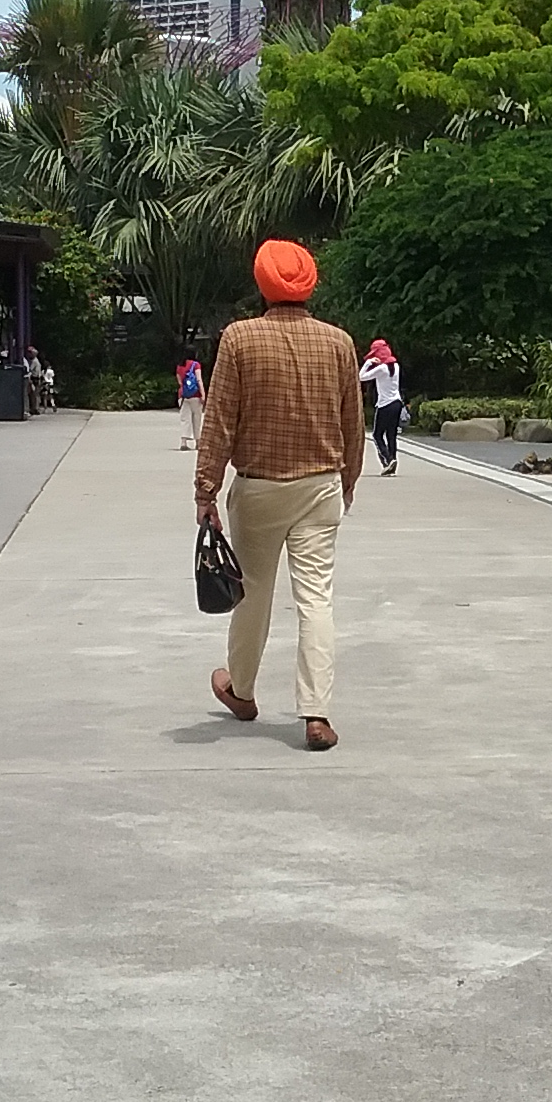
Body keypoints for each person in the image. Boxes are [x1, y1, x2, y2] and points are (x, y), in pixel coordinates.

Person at [195, 238, 364, 753]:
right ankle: (316, 713)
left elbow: (219, 421)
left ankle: (242, 690)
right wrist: (349, 480)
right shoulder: (339, 342)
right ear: (310, 283)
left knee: (251, 593)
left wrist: (206, 490)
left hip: (259, 488)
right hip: (320, 486)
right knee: (316, 599)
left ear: (262, 282)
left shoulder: (239, 339)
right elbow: (352, 422)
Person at [359, 338, 405, 476]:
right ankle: (393, 463)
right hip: (397, 403)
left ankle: (388, 460)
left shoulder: (381, 369)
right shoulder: (396, 366)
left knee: (377, 435)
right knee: (391, 435)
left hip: (385, 405)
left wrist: (368, 363)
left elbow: (361, 377)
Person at [176, 351, 205, 451]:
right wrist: (203, 394)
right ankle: (198, 442)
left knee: (185, 419)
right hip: (195, 395)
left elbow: (180, 383)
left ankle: (183, 442)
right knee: (197, 419)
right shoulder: (195, 365)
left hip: (183, 396)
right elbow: (199, 380)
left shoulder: (179, 366)